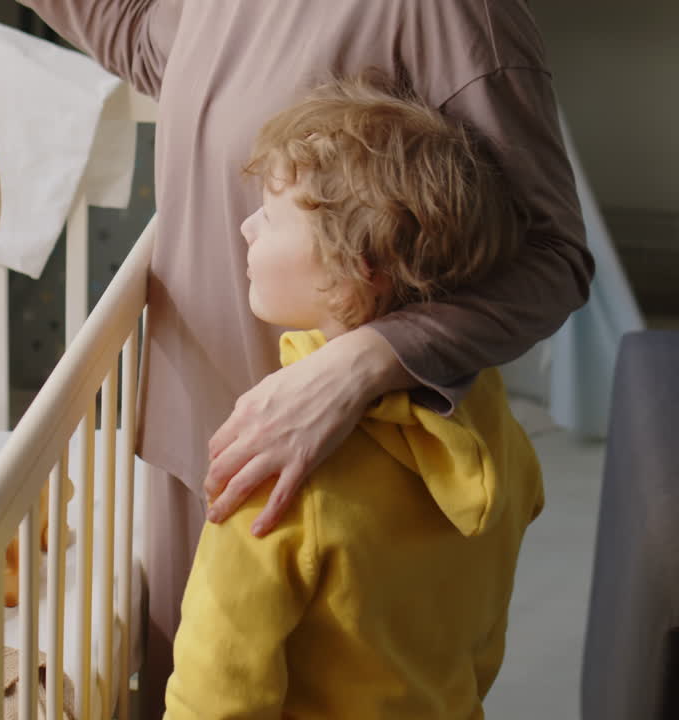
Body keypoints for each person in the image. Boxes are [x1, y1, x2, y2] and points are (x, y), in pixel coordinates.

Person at [17, 3, 591, 714]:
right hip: (206, 442)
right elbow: (155, 46)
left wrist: (363, 363)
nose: (250, 225)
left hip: (313, 461)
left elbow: (552, 257)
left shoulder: (449, 14)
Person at [164, 75, 543, 719]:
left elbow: (216, 693)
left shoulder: (276, 471)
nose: (247, 226)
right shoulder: (490, 425)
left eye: (271, 215)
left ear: (356, 268)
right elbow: (481, 640)